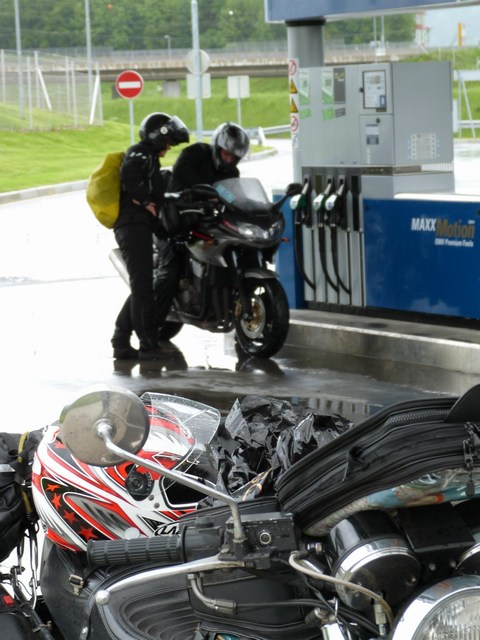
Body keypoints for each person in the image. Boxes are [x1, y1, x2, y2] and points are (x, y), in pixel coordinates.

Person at [111, 111, 190, 361]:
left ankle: (121, 341)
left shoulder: (150, 159)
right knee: (143, 287)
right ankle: (148, 345)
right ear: (158, 136)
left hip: (140, 226)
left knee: (141, 286)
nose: (169, 148)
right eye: (168, 142)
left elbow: (157, 197)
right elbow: (129, 176)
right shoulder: (140, 153)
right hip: (132, 226)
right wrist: (145, 201)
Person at [169, 121, 250, 191]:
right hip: (179, 201)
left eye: (234, 157)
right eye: (226, 154)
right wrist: (206, 191)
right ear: (217, 147)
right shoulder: (197, 152)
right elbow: (180, 169)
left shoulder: (233, 174)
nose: (229, 160)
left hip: (207, 204)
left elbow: (233, 197)